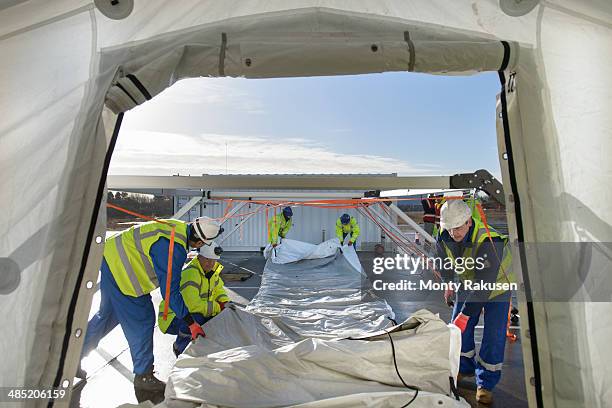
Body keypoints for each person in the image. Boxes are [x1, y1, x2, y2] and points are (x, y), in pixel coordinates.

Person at [80, 216, 223, 403]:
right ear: (199, 241)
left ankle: (72, 357)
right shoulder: (174, 248)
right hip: (123, 269)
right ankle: (144, 376)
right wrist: (191, 323)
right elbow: (170, 292)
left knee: (107, 316)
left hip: (111, 256)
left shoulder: (177, 227)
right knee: (143, 319)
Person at [437, 200, 514, 405]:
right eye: (450, 228)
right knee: (458, 330)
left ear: (469, 222)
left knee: (494, 334)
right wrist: (448, 284)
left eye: (459, 227)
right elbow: (444, 261)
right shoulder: (444, 235)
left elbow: (484, 285)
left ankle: (486, 384)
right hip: (470, 281)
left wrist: (465, 313)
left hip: (497, 286)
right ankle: (464, 367)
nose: (455, 233)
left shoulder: (489, 240)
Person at [158, 241, 229, 356]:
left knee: (215, 317)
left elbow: (218, 290)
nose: (210, 263)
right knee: (198, 318)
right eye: (207, 259)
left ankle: (201, 347)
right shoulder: (191, 273)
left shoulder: (211, 272)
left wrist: (225, 302)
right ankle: (180, 348)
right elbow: (192, 305)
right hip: (171, 318)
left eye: (213, 260)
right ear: (199, 257)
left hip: (186, 314)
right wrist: (218, 307)